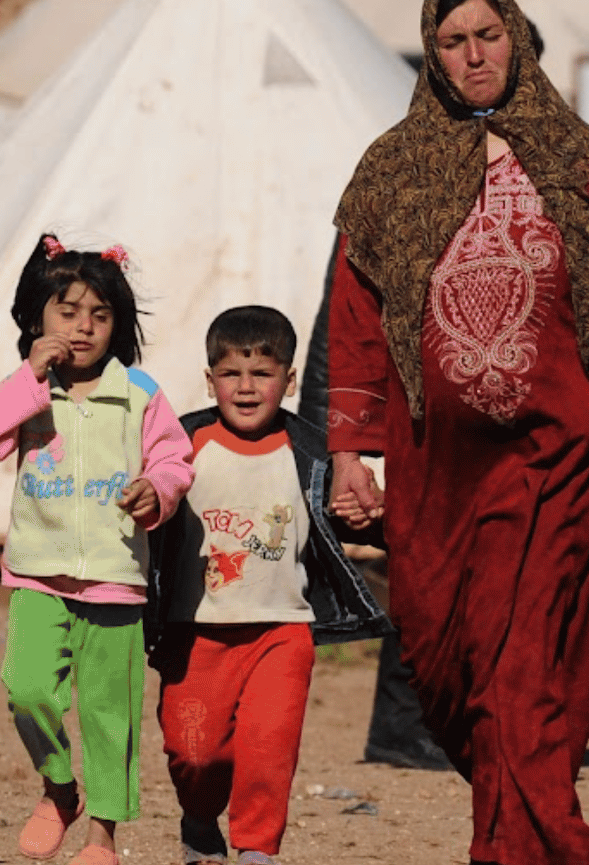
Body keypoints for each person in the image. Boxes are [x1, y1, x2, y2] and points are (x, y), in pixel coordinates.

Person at [324, 0, 589, 865]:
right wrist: (349, 452)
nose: (475, 55)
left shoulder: (578, 157)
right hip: (437, 470)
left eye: (489, 35)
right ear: (432, 53)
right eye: (455, 41)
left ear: (515, 37)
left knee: (526, 676)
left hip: (560, 459)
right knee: (452, 669)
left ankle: (551, 848)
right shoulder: (392, 168)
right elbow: (356, 315)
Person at [0, 239, 193, 865]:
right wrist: (29, 376)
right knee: (27, 689)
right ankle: (58, 789)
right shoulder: (29, 391)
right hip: (39, 574)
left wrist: (159, 490)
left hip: (116, 580)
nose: (83, 327)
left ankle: (102, 838)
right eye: (67, 311)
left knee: (108, 716)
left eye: (99, 314)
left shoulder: (139, 391)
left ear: (118, 324)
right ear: (38, 317)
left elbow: (175, 459)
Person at [149, 306, 391, 865]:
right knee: (195, 753)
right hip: (195, 631)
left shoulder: (313, 449)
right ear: (211, 380)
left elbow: (354, 515)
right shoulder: (182, 442)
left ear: (290, 379)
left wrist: (369, 520)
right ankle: (199, 816)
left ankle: (257, 847)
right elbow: (147, 504)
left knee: (268, 748)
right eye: (232, 373)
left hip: (283, 630)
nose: (247, 387)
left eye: (262, 373)